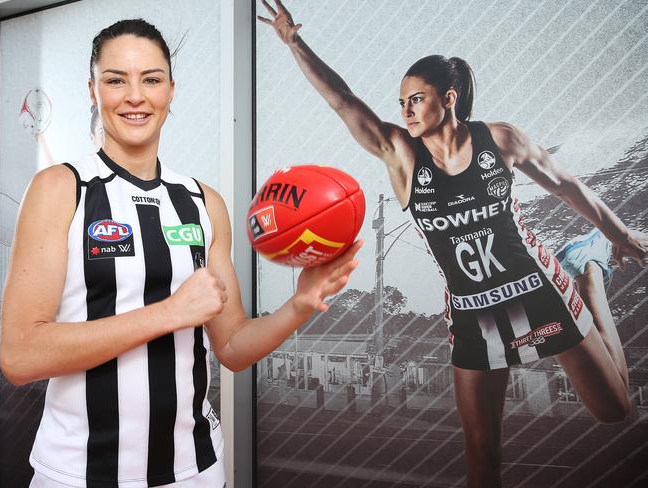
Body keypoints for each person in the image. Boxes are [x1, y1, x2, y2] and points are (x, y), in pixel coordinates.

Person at [258, 1, 648, 487]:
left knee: (616, 412)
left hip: (537, 288)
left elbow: (567, 185)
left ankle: (590, 277)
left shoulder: (500, 140)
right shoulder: (402, 157)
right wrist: (295, 42)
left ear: (450, 97)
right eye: (402, 103)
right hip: (471, 309)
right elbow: (343, 101)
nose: (406, 111)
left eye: (416, 100)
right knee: (481, 454)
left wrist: (620, 234)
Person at [0, 18, 361, 488]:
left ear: (171, 90)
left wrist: (298, 306)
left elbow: (231, 347)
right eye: (115, 80)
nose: (135, 96)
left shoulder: (202, 202)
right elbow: (20, 355)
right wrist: (169, 313)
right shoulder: (61, 189)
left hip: (196, 472)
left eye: (151, 79)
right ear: (93, 91)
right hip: (78, 474)